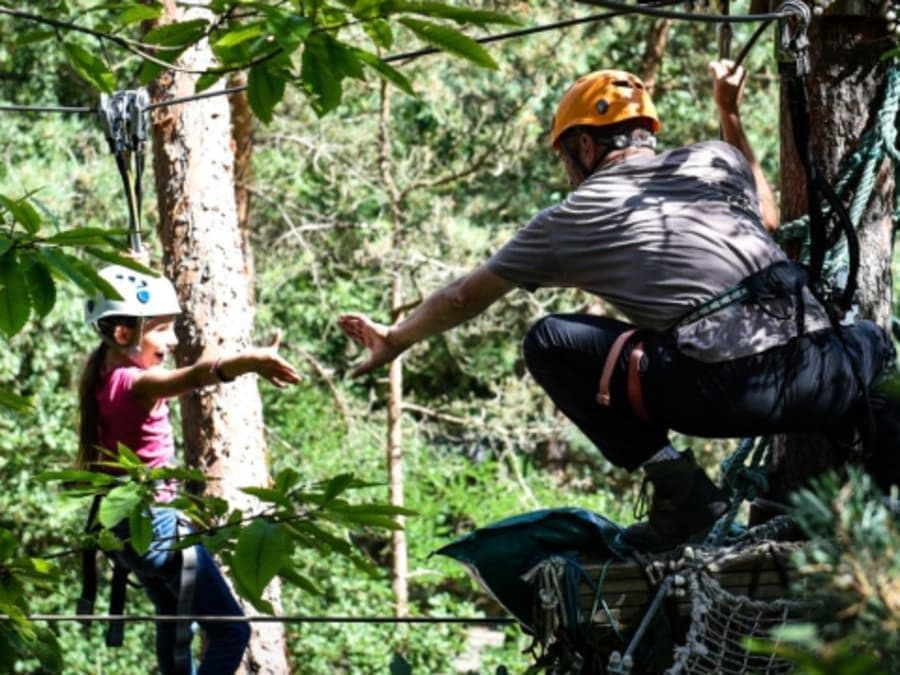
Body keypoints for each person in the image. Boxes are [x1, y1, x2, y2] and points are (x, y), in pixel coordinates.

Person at [338, 61, 896, 552]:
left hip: (731, 396)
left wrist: (397, 338)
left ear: (585, 146)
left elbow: (463, 297)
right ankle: (870, 451)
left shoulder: (573, 216)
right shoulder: (714, 160)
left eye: (564, 156)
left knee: (550, 341)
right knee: (876, 337)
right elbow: (768, 216)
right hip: (829, 371)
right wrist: (730, 113)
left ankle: (682, 490)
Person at [77, 263, 300, 674]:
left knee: (174, 615)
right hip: (157, 527)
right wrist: (247, 362)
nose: (173, 339)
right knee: (233, 631)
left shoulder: (101, 374)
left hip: (123, 529)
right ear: (124, 334)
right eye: (161, 329)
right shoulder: (137, 383)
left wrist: (130, 267)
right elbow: (194, 376)